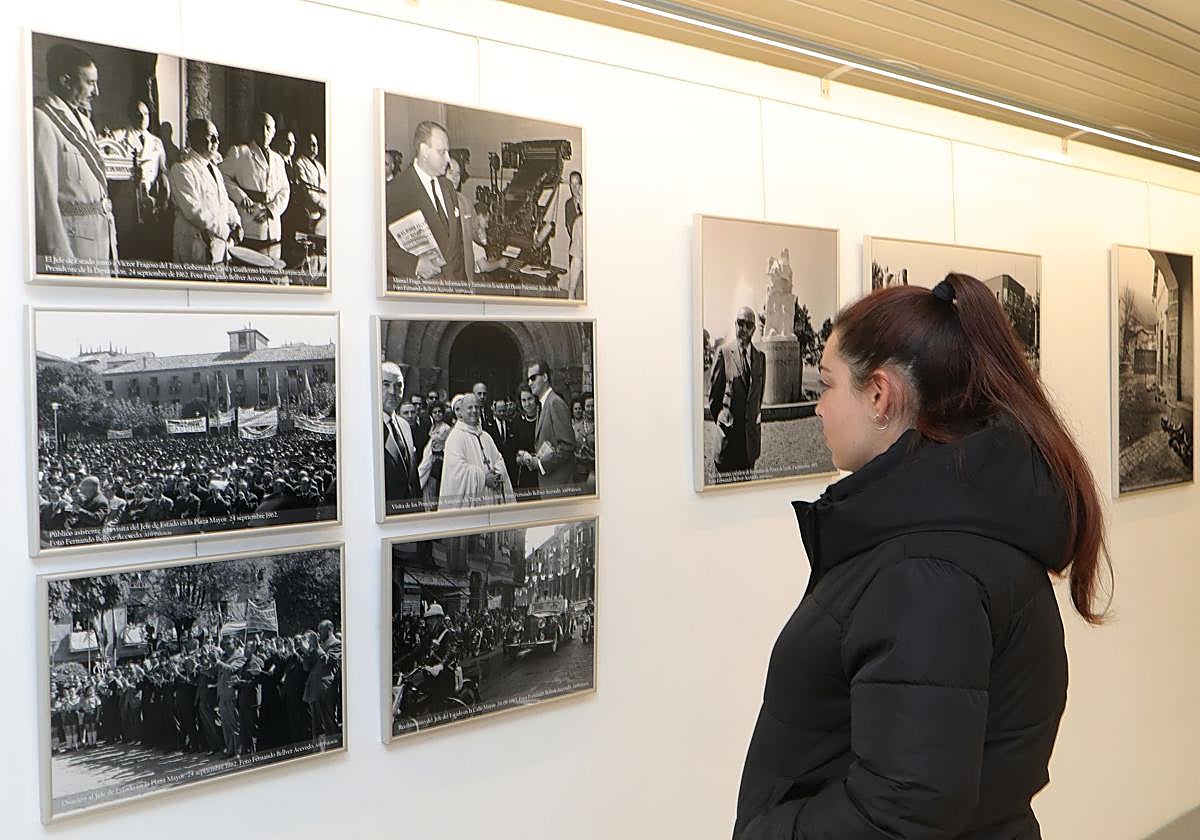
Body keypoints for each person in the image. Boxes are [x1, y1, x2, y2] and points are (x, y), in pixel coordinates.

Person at [732, 275, 1110, 840]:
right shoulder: (957, 526)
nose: (818, 407)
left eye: (829, 385)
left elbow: (902, 809)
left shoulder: (926, 574)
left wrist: (771, 831)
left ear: (880, 395)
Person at [33, 42, 118, 275]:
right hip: (73, 245)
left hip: (99, 238)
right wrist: (60, 258)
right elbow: (44, 201)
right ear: (65, 80)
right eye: (90, 82)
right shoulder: (42, 119)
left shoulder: (84, 121)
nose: (96, 91)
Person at [384, 120, 466, 286]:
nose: (448, 159)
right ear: (424, 151)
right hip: (423, 291)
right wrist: (414, 265)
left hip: (456, 290)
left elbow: (458, 247)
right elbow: (379, 243)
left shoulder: (448, 187)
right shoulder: (396, 190)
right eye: (442, 152)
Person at [169, 118, 242, 267]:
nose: (217, 141)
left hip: (220, 247)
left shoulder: (214, 169)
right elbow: (194, 212)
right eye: (211, 137)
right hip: (197, 245)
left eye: (217, 137)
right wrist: (225, 231)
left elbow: (225, 201)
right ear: (195, 138)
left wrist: (236, 222)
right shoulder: (182, 169)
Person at [220, 111, 290, 261]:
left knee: (271, 272)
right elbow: (221, 177)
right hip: (250, 222)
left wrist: (271, 210)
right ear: (253, 129)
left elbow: (285, 189)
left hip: (273, 226)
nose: (264, 132)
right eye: (260, 127)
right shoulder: (240, 152)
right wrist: (241, 196)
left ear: (274, 132)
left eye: (268, 128)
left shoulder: (278, 159)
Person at [111, 98, 171, 262]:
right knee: (128, 244)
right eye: (138, 114)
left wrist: (164, 199)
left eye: (146, 114)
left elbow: (163, 172)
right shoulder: (119, 136)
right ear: (130, 116)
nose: (143, 117)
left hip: (148, 200)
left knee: (148, 245)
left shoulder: (156, 142)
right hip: (126, 200)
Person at [708, 306, 766, 476]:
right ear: (735, 325)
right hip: (728, 442)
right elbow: (714, 398)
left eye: (748, 325)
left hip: (749, 445)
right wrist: (723, 420)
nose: (744, 329)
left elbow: (758, 397)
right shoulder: (723, 353)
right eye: (740, 323)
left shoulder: (760, 358)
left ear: (754, 329)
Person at [439, 393, 514, 509]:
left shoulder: (486, 436)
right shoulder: (455, 438)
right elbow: (457, 472)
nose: (474, 411)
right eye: (470, 407)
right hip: (472, 505)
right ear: (461, 413)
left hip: (492, 498)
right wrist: (484, 478)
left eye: (477, 407)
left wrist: (497, 474)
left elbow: (498, 459)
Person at [519, 360, 577, 493]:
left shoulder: (555, 403)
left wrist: (540, 464)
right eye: (528, 379)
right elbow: (549, 443)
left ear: (545, 377)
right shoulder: (543, 404)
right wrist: (533, 458)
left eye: (533, 378)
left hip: (559, 486)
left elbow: (567, 446)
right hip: (549, 483)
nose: (529, 383)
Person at [381, 361, 420, 503]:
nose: (393, 391)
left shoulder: (404, 425)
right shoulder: (368, 429)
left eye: (398, 385)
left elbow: (413, 478)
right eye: (386, 384)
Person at [292, 132, 328, 273]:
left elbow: (325, 189)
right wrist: (324, 205)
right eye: (311, 144)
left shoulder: (319, 166)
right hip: (310, 213)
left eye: (316, 145)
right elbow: (307, 190)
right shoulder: (299, 163)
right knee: (310, 255)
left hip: (324, 213)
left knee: (322, 253)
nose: (314, 147)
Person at [564, 170, 583, 298]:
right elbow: (569, 226)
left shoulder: (588, 202)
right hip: (575, 246)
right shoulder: (568, 204)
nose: (574, 188)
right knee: (574, 282)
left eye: (576, 184)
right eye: (572, 184)